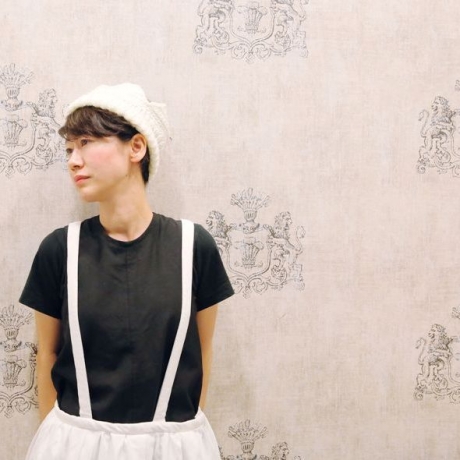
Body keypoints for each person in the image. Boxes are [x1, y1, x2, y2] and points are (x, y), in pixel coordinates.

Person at [19, 83, 234, 459]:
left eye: (86, 142)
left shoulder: (193, 246)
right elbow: (47, 355)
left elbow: (201, 351)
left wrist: (175, 436)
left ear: (136, 147)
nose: (73, 160)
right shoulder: (60, 250)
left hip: (174, 446)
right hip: (74, 446)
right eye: (69, 149)